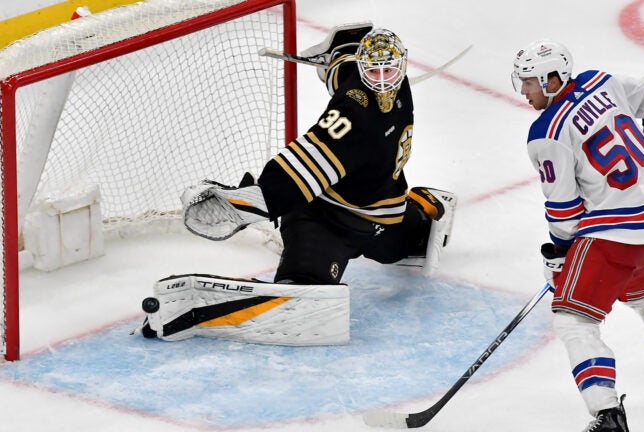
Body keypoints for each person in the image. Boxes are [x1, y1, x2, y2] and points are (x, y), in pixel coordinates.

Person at [139, 25, 456, 344]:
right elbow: (308, 160)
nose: (383, 79)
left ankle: (420, 212)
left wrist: (340, 56)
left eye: (389, 69)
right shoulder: (358, 108)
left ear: (401, 65)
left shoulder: (369, 91)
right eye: (374, 71)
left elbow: (344, 76)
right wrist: (250, 203)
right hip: (322, 219)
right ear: (363, 68)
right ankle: (217, 309)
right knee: (302, 290)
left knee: (408, 241)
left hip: (383, 216)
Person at [510, 39, 644, 431]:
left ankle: (607, 414)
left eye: (530, 82)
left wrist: (559, 256)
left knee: (574, 319)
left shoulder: (546, 132)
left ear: (552, 79)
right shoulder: (601, 81)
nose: (524, 91)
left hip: (615, 235)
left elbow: (565, 213)